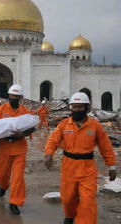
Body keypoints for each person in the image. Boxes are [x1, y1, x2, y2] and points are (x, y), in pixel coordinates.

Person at [44, 92, 116, 224]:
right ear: (71, 108)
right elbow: (53, 140)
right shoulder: (64, 125)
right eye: (74, 107)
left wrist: (112, 166)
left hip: (87, 168)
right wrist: (49, 154)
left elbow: (106, 146)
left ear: (86, 108)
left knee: (88, 201)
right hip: (68, 168)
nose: (77, 109)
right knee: (68, 198)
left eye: (80, 107)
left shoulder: (95, 126)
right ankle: (70, 215)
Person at [0, 84, 35, 215]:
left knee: (18, 178)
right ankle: (2, 186)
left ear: (20, 97)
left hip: (19, 149)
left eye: (16, 96)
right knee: (2, 175)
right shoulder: (1, 110)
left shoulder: (25, 112)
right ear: (8, 96)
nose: (14, 98)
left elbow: (32, 127)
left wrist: (22, 134)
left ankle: (15, 202)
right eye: (12, 96)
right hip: (4, 148)